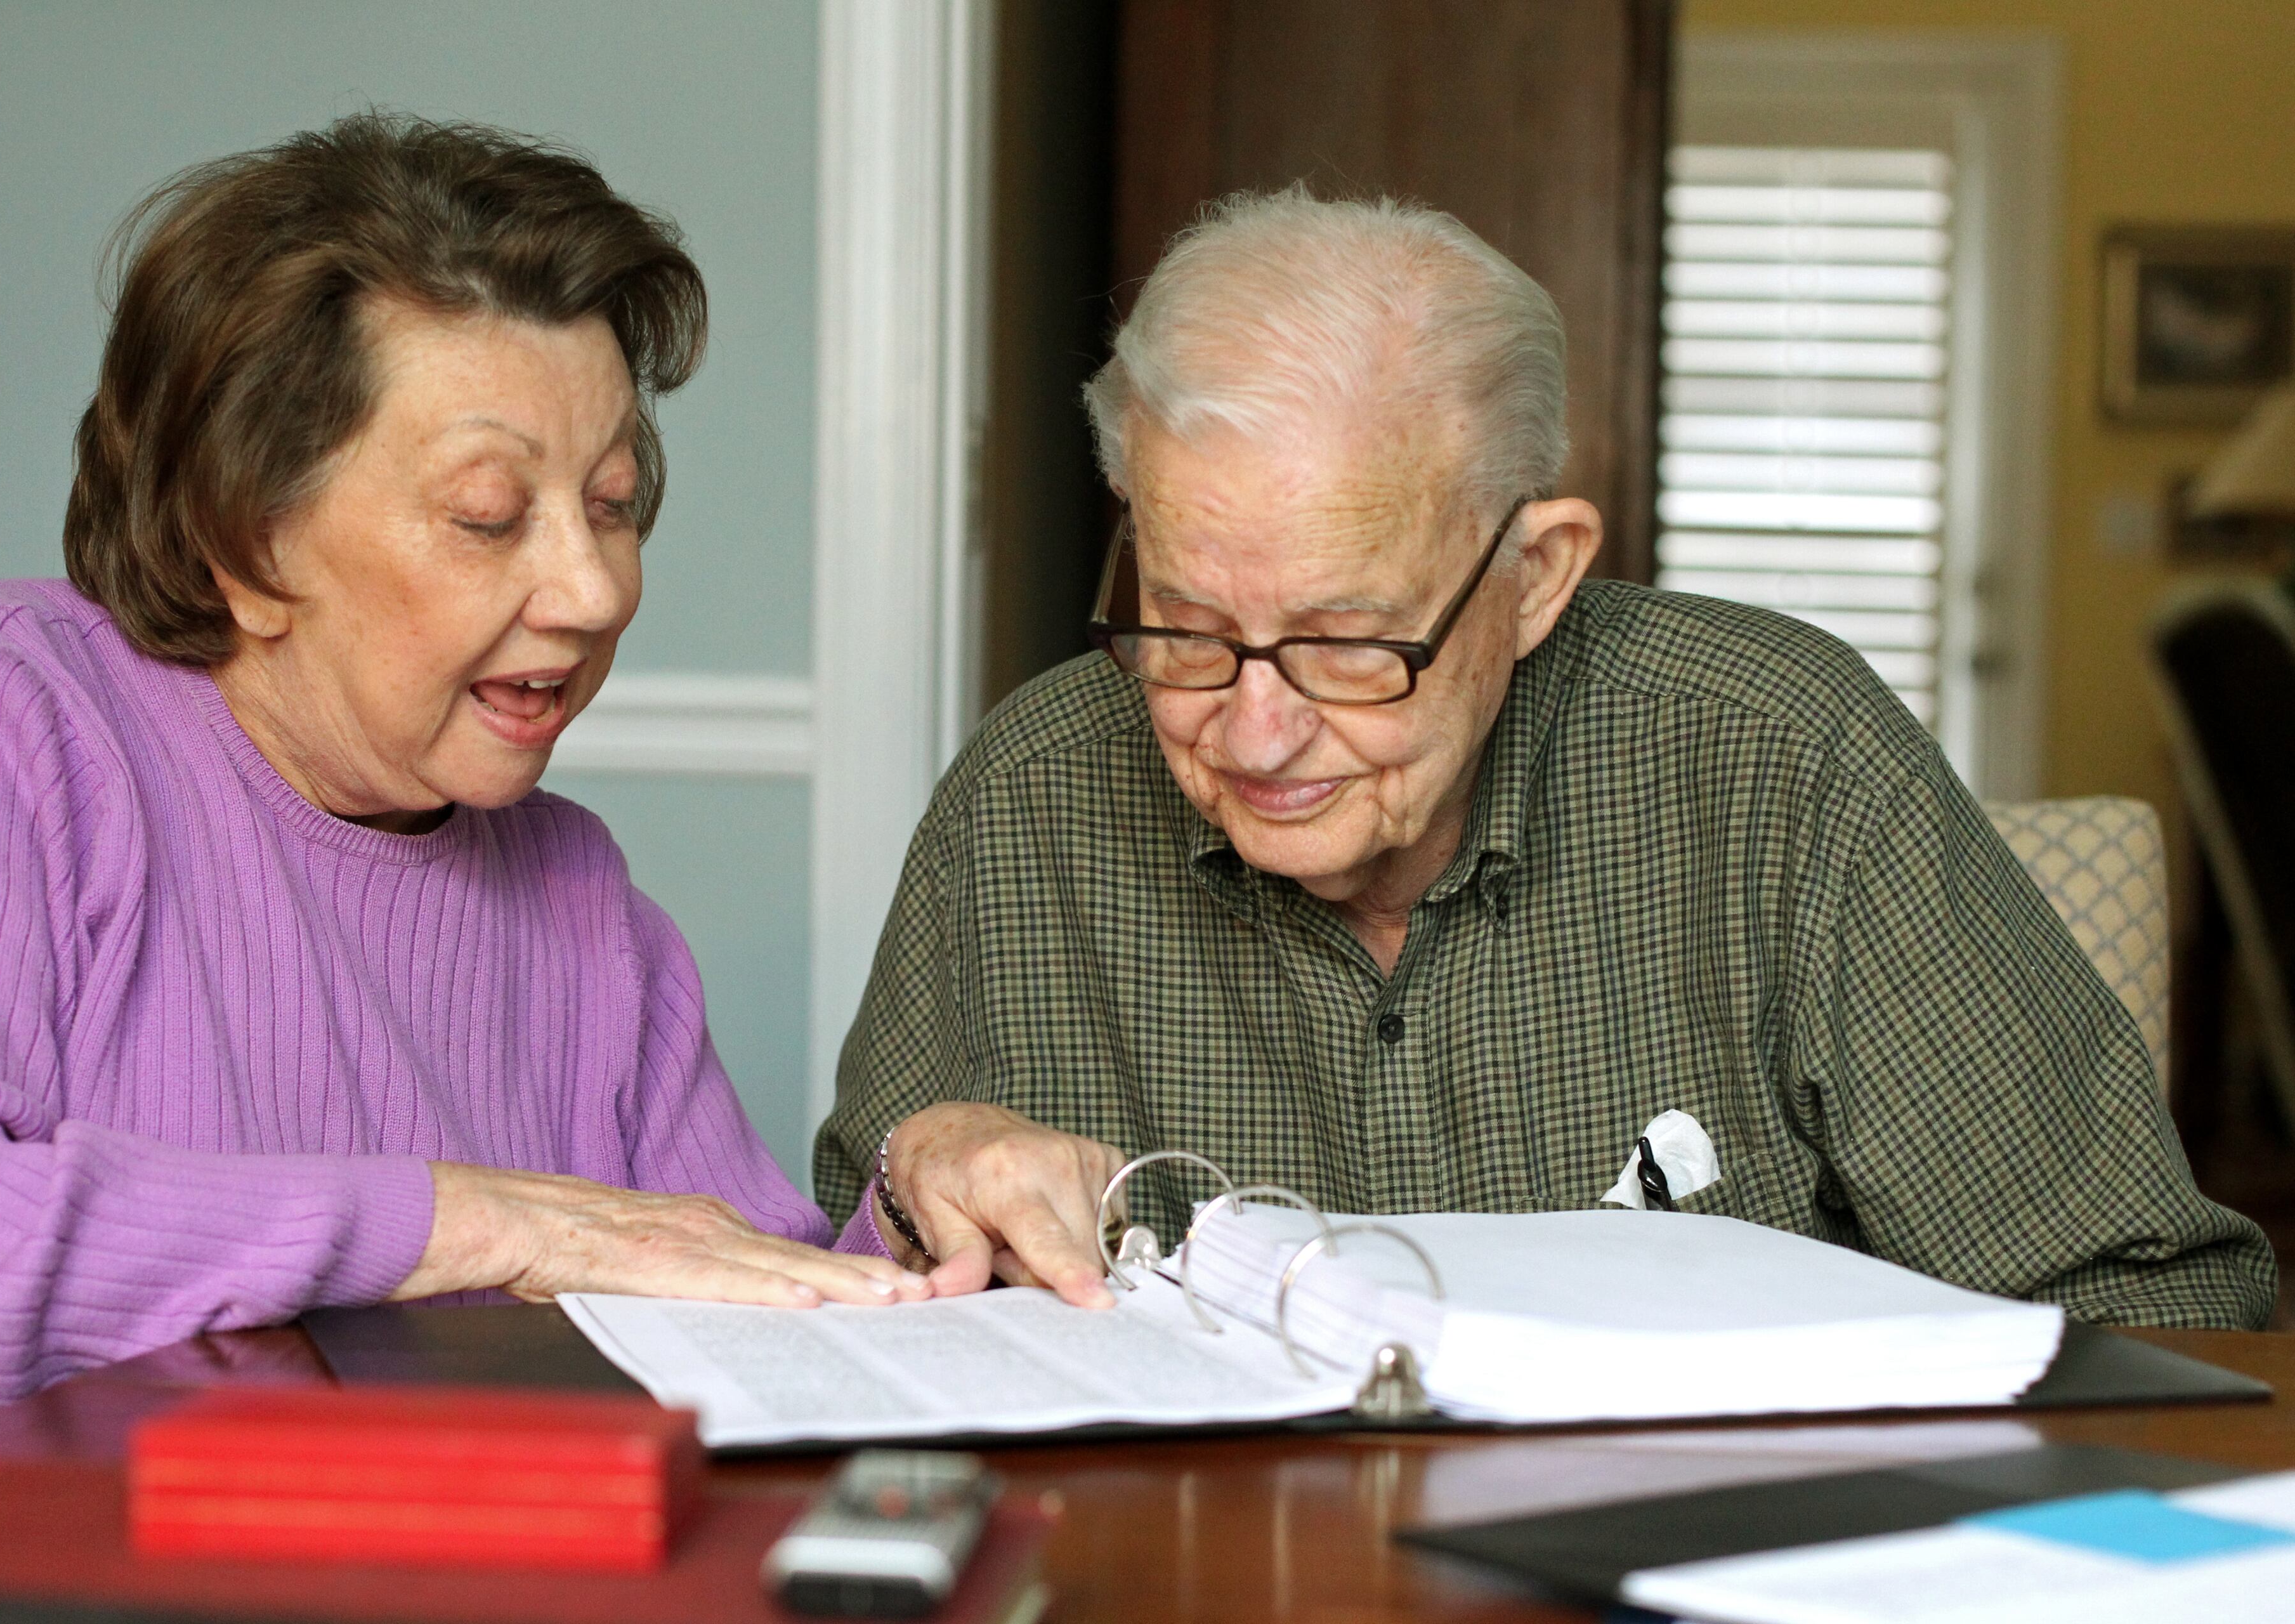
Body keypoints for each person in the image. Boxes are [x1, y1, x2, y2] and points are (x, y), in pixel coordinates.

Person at [816, 187, 2275, 1330]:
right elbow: (842, 1271)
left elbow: (2147, 1301)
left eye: (1349, 644)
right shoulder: (1028, 799)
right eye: (1187, 627)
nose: (1254, 729)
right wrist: (912, 1186)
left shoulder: (1783, 762)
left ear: (1536, 575)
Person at [0, 115, 923, 1452]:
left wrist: (926, 1214)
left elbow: (744, 1300)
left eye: (611, 502)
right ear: (242, 541)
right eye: (488, 515)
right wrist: (464, 1218)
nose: (595, 591)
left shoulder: (579, 894)